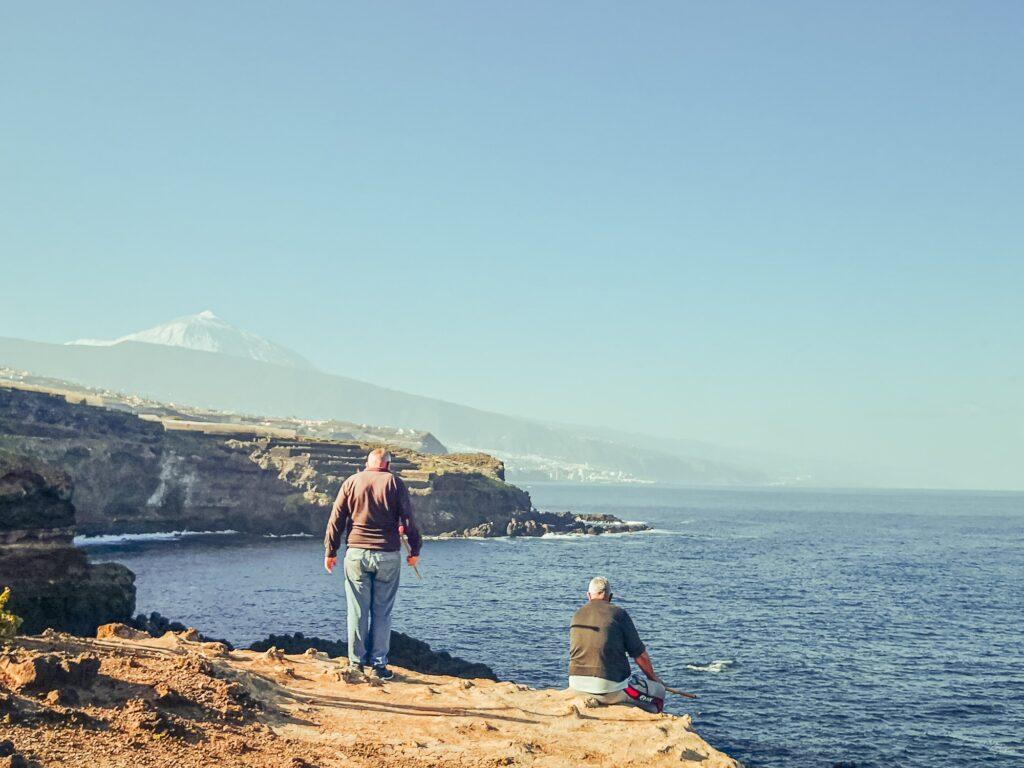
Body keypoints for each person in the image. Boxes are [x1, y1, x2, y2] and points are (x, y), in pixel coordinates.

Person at [324, 447, 422, 680]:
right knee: (382, 612)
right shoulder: (394, 483)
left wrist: (330, 550)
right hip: (387, 554)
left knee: (357, 611)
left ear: (367, 463)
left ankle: (356, 664)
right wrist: (415, 549)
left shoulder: (351, 481)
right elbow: (407, 519)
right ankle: (378, 665)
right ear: (387, 465)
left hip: (356, 553)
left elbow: (336, 517)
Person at [568, 576, 666, 713]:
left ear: (588, 596)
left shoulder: (576, 615)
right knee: (659, 692)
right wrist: (653, 678)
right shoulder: (619, 614)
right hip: (608, 688)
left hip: (576, 684)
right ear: (610, 597)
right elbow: (640, 656)